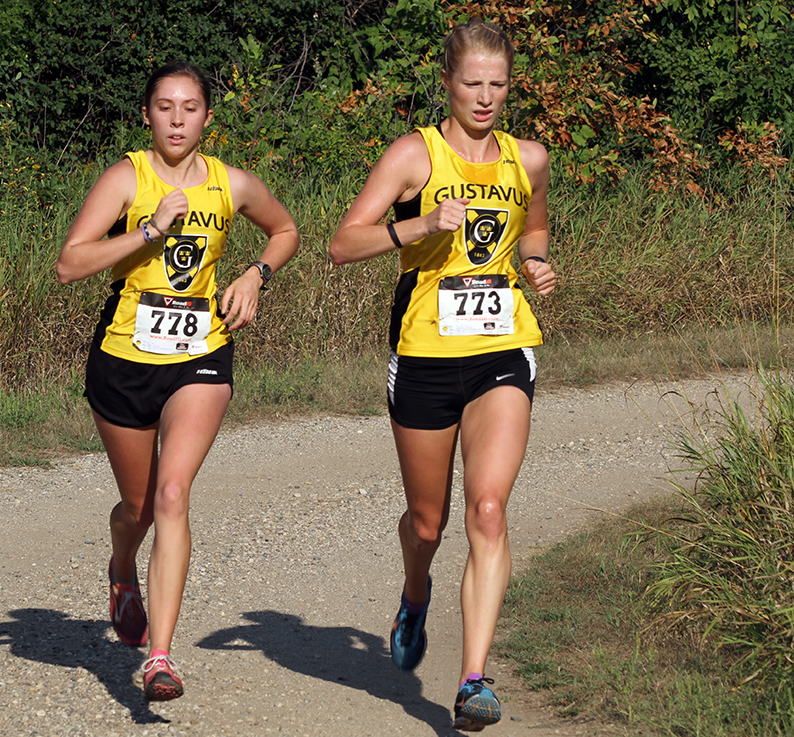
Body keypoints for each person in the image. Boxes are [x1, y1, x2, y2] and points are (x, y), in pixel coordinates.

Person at [328, 19, 556, 732]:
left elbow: (534, 227)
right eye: (472, 83)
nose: (485, 98)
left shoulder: (530, 157)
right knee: (428, 522)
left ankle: (474, 680)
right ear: (448, 85)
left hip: (503, 348)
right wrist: (421, 225)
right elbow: (342, 244)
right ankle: (416, 589)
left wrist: (536, 263)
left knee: (487, 509)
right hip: (424, 351)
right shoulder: (413, 156)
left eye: (498, 85)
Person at [55, 60, 299, 702]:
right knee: (137, 507)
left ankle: (159, 657)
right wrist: (147, 230)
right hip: (124, 357)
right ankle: (121, 564)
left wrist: (255, 276)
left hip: (202, 353)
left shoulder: (232, 184)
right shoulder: (125, 177)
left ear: (207, 118)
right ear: (147, 114)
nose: (177, 119)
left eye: (190, 108)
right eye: (165, 107)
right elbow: (70, 264)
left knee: (171, 494)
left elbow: (286, 230)